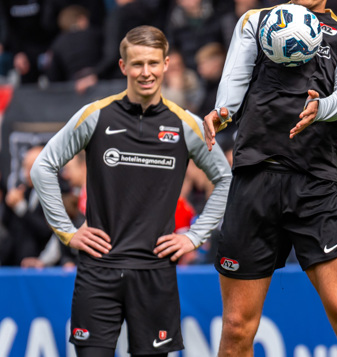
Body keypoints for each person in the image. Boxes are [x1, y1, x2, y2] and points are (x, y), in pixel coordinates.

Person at [202, 0, 337, 357]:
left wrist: (321, 109)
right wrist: (221, 112)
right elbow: (233, 82)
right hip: (254, 180)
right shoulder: (255, 21)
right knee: (237, 328)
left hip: (315, 183)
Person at [31, 25, 232, 356]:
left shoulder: (186, 125)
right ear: (123, 66)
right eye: (137, 64)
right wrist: (67, 232)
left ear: (166, 64)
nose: (146, 72)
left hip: (155, 274)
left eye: (153, 63)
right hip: (98, 270)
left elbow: (225, 180)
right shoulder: (95, 116)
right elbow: (42, 167)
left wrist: (194, 237)